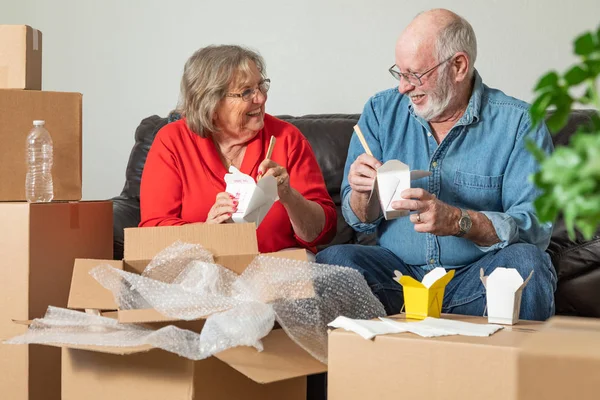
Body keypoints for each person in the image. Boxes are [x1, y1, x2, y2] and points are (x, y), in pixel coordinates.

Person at [316, 9, 556, 321]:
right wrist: (363, 194)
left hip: (476, 280)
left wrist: (460, 221)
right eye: (398, 73)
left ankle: (513, 370)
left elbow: (534, 228)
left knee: (528, 263)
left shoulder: (519, 123)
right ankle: (357, 369)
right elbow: (359, 219)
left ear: (459, 66)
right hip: (397, 280)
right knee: (333, 262)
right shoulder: (380, 111)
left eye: (414, 75)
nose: (403, 87)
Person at [139, 45, 337, 255]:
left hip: (278, 270)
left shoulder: (287, 138)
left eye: (261, 86)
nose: (260, 98)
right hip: (202, 269)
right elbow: (152, 234)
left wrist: (289, 196)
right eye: (246, 92)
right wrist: (206, 232)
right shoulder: (172, 141)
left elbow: (323, 233)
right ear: (211, 104)